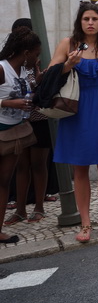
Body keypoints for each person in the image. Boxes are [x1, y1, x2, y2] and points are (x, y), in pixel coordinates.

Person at [50, 2, 98, 241]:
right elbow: (49, 75)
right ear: (80, 22)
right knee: (80, 168)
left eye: (95, 19)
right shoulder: (68, 44)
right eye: (86, 19)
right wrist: (68, 65)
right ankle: (85, 223)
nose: (90, 23)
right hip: (76, 109)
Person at [6, 19, 51, 226]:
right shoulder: (12, 63)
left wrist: (39, 79)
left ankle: (39, 207)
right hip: (19, 121)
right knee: (21, 165)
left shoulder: (33, 62)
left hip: (38, 118)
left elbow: (35, 88)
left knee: (38, 163)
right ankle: (21, 209)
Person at [0, 26, 41, 244]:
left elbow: (28, 90)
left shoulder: (23, 71)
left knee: (4, 181)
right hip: (1, 129)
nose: (37, 57)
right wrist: (9, 103)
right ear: (26, 52)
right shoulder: (2, 68)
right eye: (35, 53)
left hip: (14, 132)